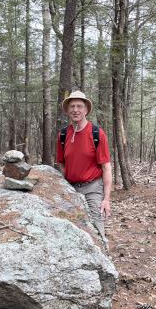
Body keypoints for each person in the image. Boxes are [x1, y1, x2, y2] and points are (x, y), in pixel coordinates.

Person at [56, 91, 112, 247]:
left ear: (86, 110)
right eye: (72, 106)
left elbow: (106, 167)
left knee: (96, 225)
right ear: (67, 111)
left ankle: (103, 259)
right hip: (71, 189)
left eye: (79, 106)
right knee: (72, 227)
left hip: (93, 187)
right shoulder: (62, 135)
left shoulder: (97, 134)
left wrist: (106, 199)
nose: (75, 110)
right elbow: (62, 164)